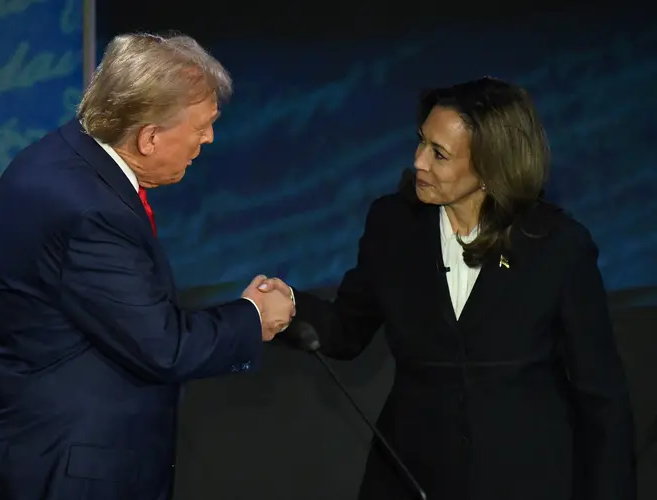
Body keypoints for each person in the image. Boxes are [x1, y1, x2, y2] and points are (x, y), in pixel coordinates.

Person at [0, 33, 294, 500]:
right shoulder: (89, 211)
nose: (208, 138)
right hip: (60, 471)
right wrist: (254, 315)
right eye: (202, 126)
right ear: (149, 137)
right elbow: (163, 347)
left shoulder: (65, 156)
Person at [261, 77, 636, 500]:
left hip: (527, 478)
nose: (419, 162)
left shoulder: (558, 246)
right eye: (421, 143)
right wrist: (290, 306)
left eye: (439, 154)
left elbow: (602, 396)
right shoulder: (394, 225)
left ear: (491, 167)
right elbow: (348, 328)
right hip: (411, 474)